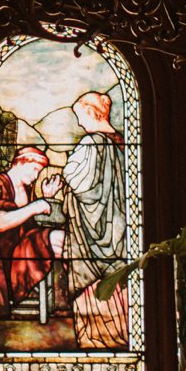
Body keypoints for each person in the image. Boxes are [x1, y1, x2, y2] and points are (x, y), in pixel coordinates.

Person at [61, 91, 130, 348]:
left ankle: (95, 339)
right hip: (117, 229)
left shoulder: (92, 143)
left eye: (80, 116)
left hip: (91, 236)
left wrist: (64, 177)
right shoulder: (122, 142)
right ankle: (119, 333)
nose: (80, 123)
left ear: (91, 112)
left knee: (94, 282)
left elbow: (80, 181)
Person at [0, 146, 63, 311]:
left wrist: (46, 198)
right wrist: (35, 206)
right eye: (35, 170)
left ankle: (79, 300)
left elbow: (32, 226)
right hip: (4, 256)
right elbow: (0, 223)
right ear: (21, 162)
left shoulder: (26, 190)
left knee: (63, 239)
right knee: (59, 239)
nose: (36, 176)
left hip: (24, 248)